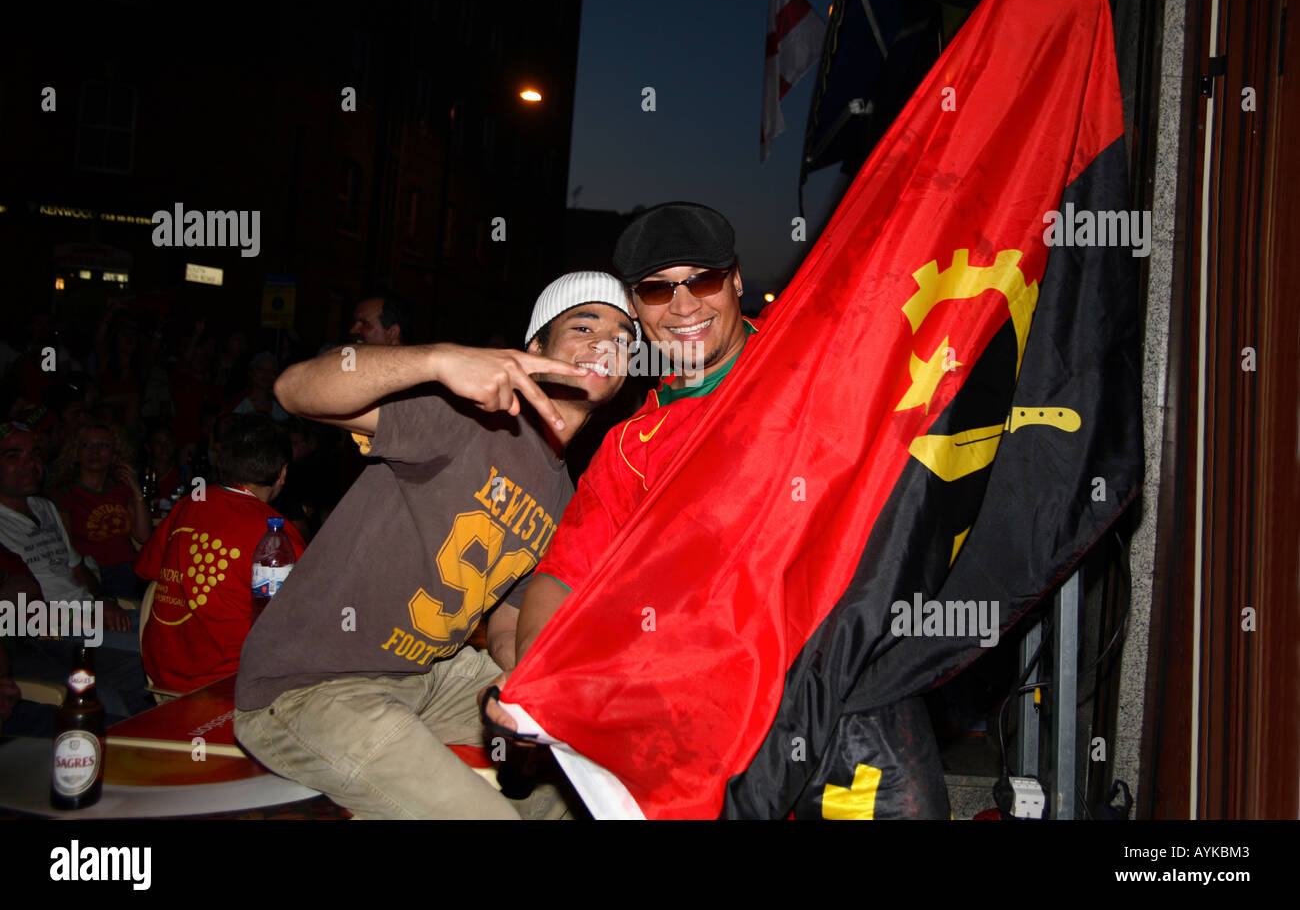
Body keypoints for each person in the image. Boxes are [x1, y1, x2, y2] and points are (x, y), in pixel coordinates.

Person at [486, 203, 950, 819]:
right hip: (712, 717)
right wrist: (539, 687)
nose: (682, 308)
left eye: (701, 280)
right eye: (656, 289)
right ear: (638, 306)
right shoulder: (630, 449)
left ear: (734, 280)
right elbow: (562, 576)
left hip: (849, 682)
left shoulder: (811, 351)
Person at [234, 271, 636, 819]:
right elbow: (294, 389)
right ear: (535, 347)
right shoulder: (468, 418)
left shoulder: (566, 495)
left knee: (591, 771)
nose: (604, 342)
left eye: (622, 335)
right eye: (584, 325)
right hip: (311, 685)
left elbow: (506, 626)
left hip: (427, 676)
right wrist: (439, 360)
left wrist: (529, 684)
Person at [135, 414, 305, 695]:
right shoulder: (276, 533)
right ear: (282, 472)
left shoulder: (188, 504)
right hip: (225, 689)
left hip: (162, 682)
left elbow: (147, 572)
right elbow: (299, 617)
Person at [0, 416, 151, 721]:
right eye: (14, 456)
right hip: (55, 630)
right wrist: (87, 615)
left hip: (92, 611)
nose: (29, 464)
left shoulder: (44, 507)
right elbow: (21, 614)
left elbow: (79, 570)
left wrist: (103, 601)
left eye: (35, 455)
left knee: (178, 632)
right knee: (154, 653)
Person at [51, 419, 151, 600]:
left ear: (114, 454)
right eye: (87, 445)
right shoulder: (66, 494)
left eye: (103, 445)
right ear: (77, 452)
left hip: (131, 569)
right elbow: (64, 548)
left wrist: (136, 490)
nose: (94, 451)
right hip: (96, 574)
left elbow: (143, 536)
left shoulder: (121, 491)